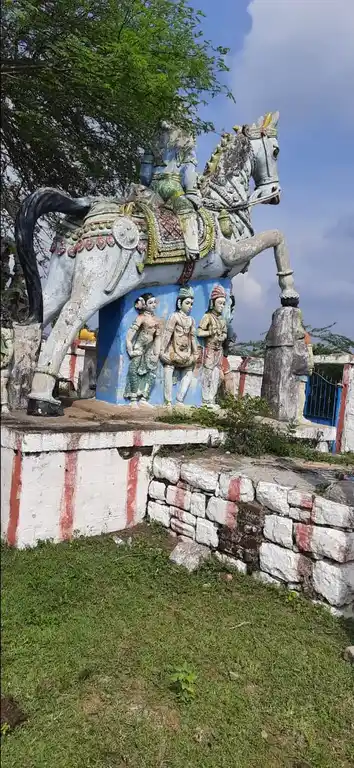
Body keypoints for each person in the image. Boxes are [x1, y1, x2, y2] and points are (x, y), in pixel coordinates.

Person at [140, 120, 202, 261]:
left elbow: (144, 175)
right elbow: (188, 174)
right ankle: (192, 248)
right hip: (172, 187)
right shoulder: (186, 142)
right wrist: (191, 192)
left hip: (153, 187)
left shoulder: (153, 142)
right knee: (186, 210)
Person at [160, 285, 198, 406]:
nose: (190, 306)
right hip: (173, 352)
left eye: (192, 304)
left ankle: (179, 399)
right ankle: (168, 401)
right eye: (187, 303)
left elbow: (193, 338)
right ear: (179, 303)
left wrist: (195, 353)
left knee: (189, 371)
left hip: (186, 353)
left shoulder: (191, 320)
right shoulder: (174, 316)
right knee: (168, 369)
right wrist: (162, 350)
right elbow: (167, 334)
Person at [124, 293, 161, 405]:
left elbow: (157, 338)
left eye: (155, 302)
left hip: (149, 349)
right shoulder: (141, 318)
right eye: (150, 302)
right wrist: (130, 350)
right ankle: (133, 398)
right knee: (133, 370)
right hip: (139, 347)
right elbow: (129, 335)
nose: (153, 304)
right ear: (144, 305)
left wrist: (157, 353)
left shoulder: (156, 320)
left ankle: (144, 398)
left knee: (152, 372)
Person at [197, 284, 228, 407]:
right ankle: (205, 399)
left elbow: (225, 332)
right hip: (209, 348)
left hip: (219, 349)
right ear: (213, 303)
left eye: (223, 304)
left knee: (216, 373)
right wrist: (210, 332)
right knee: (208, 373)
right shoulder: (208, 317)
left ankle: (212, 398)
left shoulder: (222, 319)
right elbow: (199, 332)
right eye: (219, 303)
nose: (221, 306)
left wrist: (223, 336)